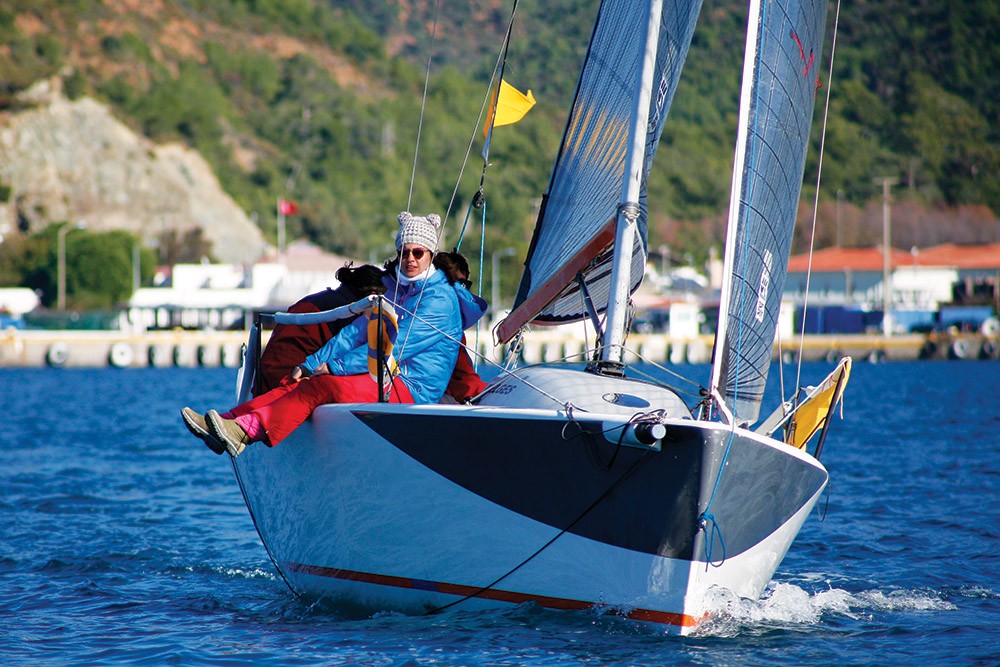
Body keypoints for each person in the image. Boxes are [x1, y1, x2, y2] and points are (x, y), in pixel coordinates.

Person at [186, 211, 477, 457]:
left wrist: (334, 367)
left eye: (418, 253)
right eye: (404, 252)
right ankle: (226, 423)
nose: (410, 259)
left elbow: (392, 348)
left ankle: (244, 432)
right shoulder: (396, 289)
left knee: (324, 386)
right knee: (296, 382)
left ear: (431, 255)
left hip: (413, 388)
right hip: (387, 377)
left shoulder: (439, 301)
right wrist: (311, 363)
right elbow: (356, 332)